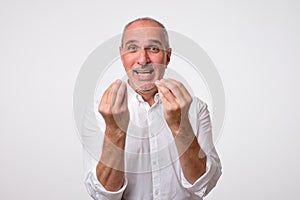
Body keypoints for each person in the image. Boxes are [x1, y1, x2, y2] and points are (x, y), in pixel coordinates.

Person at [83, 17, 222, 200]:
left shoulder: (195, 108)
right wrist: (115, 131)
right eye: (133, 48)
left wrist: (180, 126)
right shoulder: (99, 112)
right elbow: (103, 195)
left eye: (154, 48)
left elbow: (203, 185)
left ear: (168, 56)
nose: (143, 59)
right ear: (122, 55)